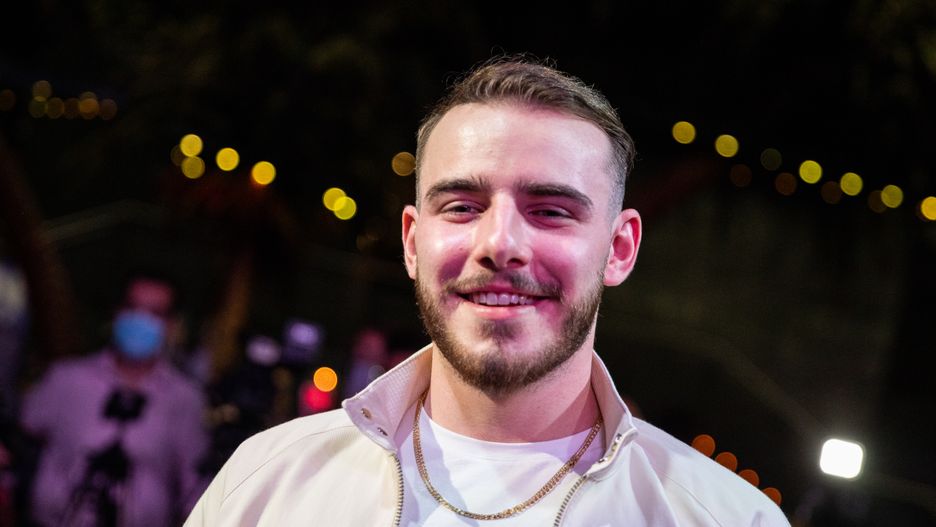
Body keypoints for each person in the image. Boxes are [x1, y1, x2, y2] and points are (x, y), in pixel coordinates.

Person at [185, 57, 790, 526]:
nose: (499, 244)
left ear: (620, 249)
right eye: (462, 206)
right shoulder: (265, 484)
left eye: (550, 211)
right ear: (412, 243)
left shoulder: (727, 518)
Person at [21, 270, 208, 527]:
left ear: (171, 324)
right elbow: (20, 439)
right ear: (117, 312)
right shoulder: (66, 378)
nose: (140, 320)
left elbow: (194, 487)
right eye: (133, 308)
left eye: (154, 313)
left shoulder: (184, 399)